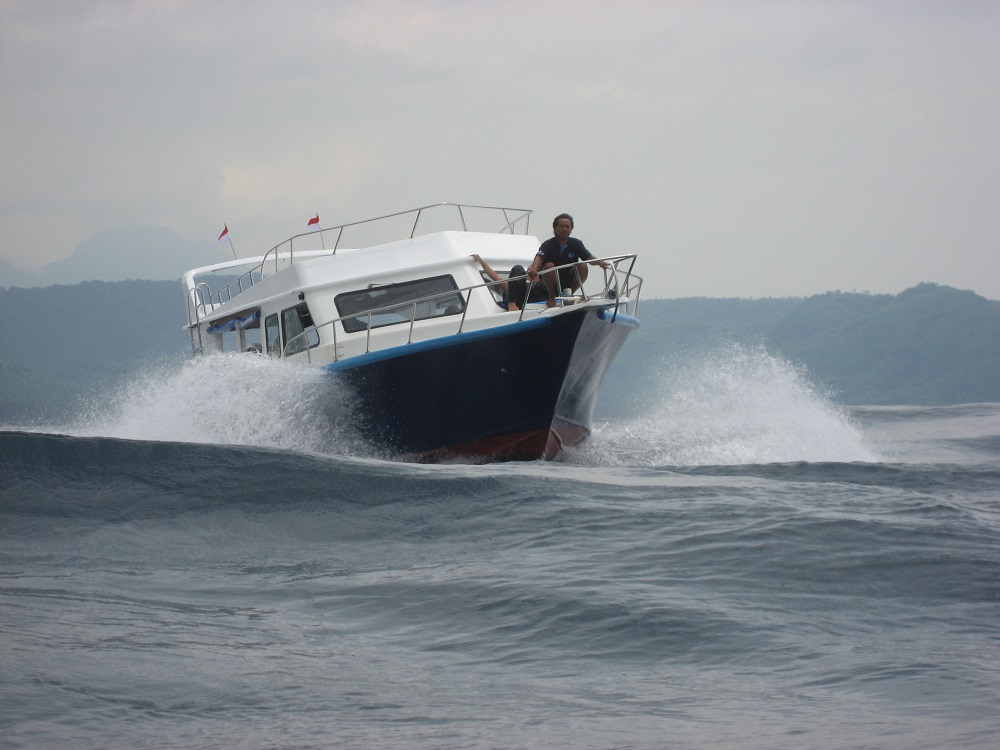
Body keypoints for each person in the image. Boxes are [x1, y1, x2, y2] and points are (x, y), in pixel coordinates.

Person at [526, 213, 608, 307]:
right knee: (549, 266)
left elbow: (588, 257)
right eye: (561, 226)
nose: (564, 229)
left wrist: (600, 262)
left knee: (582, 265)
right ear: (555, 229)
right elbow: (539, 256)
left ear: (571, 229)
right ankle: (552, 297)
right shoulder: (548, 244)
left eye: (567, 227)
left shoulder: (576, 244)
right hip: (549, 282)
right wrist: (534, 269)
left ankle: (569, 297)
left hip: (568, 280)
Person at [471, 254, 549, 311]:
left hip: (539, 301)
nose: (528, 272)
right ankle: (511, 304)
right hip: (521, 302)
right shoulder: (517, 287)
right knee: (518, 268)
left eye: (530, 271)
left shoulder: (542, 285)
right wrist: (482, 263)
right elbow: (497, 278)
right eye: (527, 271)